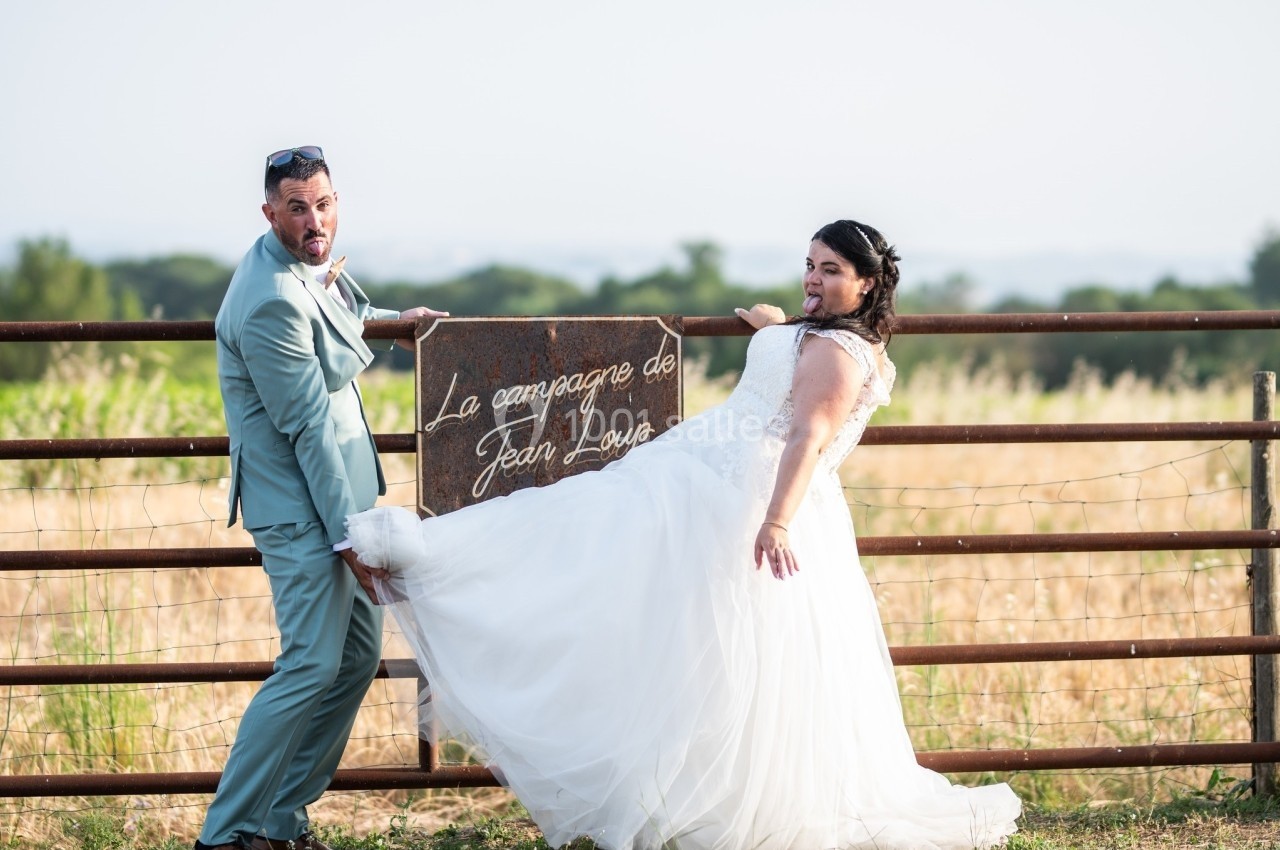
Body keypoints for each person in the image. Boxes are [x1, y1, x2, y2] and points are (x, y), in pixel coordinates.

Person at [347, 220, 1023, 849]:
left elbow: (807, 435)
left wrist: (776, 521)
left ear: (868, 283)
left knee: (677, 614)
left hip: (742, 499)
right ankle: (429, 564)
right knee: (594, 549)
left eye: (832, 270)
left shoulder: (842, 352)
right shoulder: (819, 335)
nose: (813, 280)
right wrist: (777, 329)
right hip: (703, 475)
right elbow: (793, 375)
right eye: (809, 267)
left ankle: (423, 562)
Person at [196, 146, 445, 850]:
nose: (315, 220)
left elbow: (328, 319)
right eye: (298, 207)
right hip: (305, 512)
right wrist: (350, 536)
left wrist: (400, 319)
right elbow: (307, 426)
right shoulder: (269, 300)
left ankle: (280, 819)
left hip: (336, 503)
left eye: (324, 203)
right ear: (269, 210)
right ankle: (227, 834)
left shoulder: (296, 266)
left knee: (357, 656)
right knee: (310, 663)